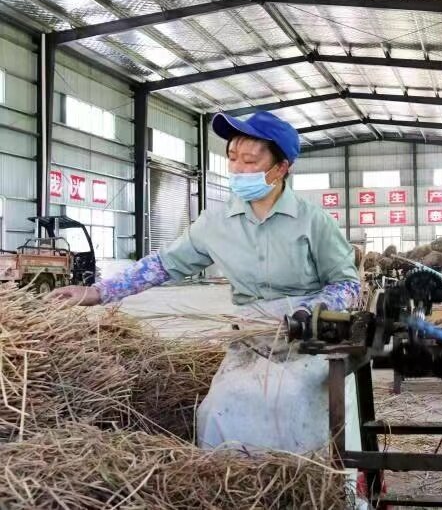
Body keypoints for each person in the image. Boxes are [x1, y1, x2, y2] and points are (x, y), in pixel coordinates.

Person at [46, 110, 362, 454]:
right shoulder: (216, 222)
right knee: (217, 411)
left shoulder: (312, 222)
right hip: (253, 337)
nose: (238, 169)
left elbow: (347, 284)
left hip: (310, 339)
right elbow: (164, 265)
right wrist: (98, 292)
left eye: (250, 160)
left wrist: (309, 312)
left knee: (290, 399)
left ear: (281, 167)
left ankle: (312, 483)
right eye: (232, 159)